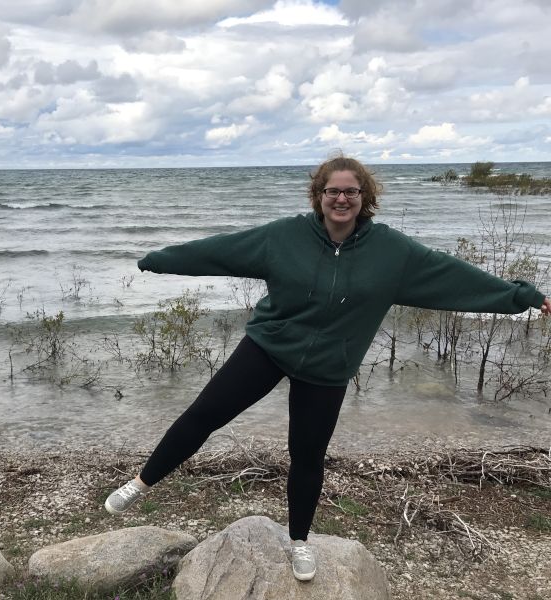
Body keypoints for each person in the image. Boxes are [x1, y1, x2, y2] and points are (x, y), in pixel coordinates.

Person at [103, 155, 551, 582]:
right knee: (204, 415)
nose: (342, 199)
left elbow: (454, 276)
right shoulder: (285, 237)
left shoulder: (393, 251)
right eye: (333, 191)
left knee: (308, 454)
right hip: (270, 345)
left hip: (329, 365)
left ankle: (299, 540)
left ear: (364, 197)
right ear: (318, 195)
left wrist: (523, 298)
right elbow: (222, 250)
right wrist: (161, 259)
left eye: (351, 192)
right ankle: (141, 483)